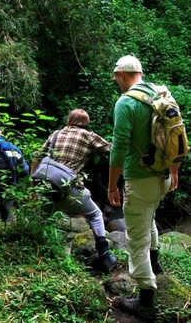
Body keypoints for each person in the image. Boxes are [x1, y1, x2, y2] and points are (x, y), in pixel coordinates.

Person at [108, 55, 179, 320]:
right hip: (163, 177)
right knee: (148, 216)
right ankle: (155, 260)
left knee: (136, 238)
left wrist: (111, 186)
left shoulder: (126, 102)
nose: (117, 81)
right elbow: (177, 137)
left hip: (139, 178)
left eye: (116, 77)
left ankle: (146, 300)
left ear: (122, 75)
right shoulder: (162, 94)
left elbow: (119, 148)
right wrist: (173, 171)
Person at [31, 109, 117, 273]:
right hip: (71, 190)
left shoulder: (56, 134)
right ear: (86, 123)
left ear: (68, 120)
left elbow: (36, 158)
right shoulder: (88, 136)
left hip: (49, 189)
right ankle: (105, 255)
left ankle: (39, 255)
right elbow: (112, 151)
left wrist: (33, 186)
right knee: (95, 215)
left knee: (43, 219)